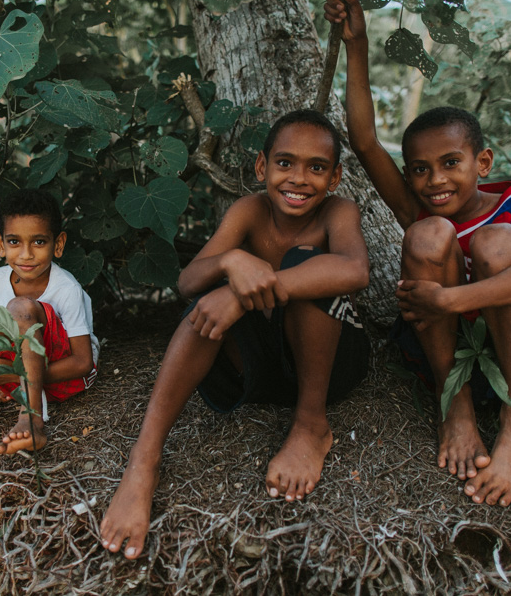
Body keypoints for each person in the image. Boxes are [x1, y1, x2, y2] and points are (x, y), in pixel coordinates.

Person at [324, 0, 511, 507]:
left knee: (499, 243)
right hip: (459, 363)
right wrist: (357, 46)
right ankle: (455, 408)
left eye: (450, 163)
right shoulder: (422, 211)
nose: (433, 180)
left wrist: (450, 300)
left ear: (481, 163)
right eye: (419, 169)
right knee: (427, 235)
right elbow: (365, 140)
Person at [100, 109, 371, 559]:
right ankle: (143, 461)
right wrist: (230, 264)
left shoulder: (338, 213)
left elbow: (354, 270)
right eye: (285, 163)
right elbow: (189, 282)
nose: (299, 179)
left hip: (330, 364)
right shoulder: (248, 211)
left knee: (305, 263)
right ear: (262, 167)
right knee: (202, 307)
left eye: (317, 167)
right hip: (262, 367)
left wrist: (244, 295)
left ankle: (310, 425)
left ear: (336, 176)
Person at [0, 189, 99, 464]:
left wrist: (12, 376)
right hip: (21, 370)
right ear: (1, 244)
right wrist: (6, 375)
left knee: (20, 308)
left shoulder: (66, 289)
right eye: (14, 241)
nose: (26, 255)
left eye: (39, 242)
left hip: (65, 377)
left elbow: (83, 363)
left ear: (58, 244)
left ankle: (32, 419)